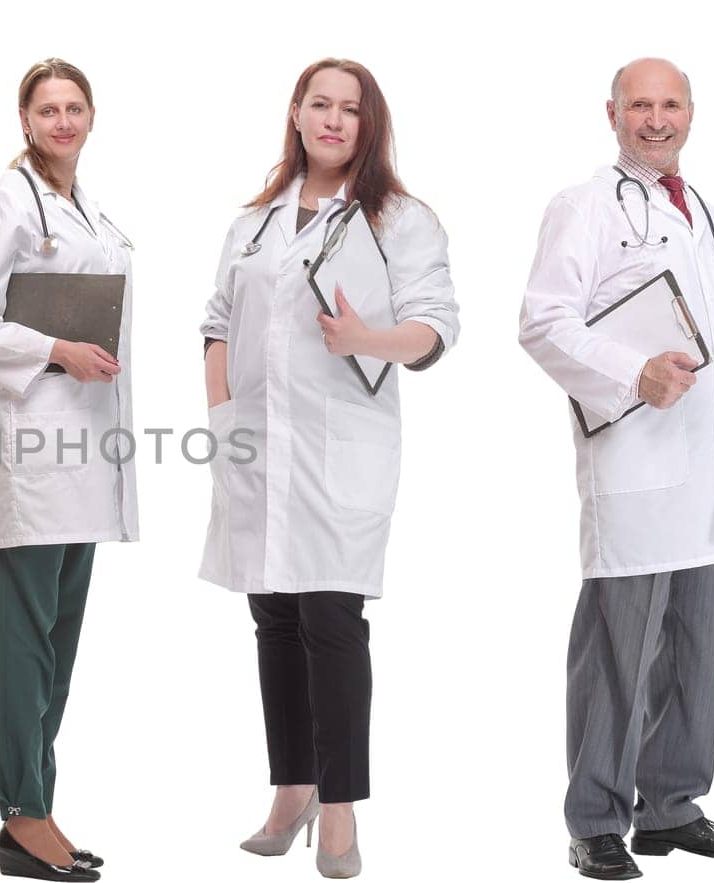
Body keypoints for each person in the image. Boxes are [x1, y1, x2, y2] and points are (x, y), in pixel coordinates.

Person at [199, 57, 460, 880]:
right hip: (256, 447)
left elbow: (436, 325)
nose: (334, 120)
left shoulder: (398, 218)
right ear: (297, 113)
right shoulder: (252, 222)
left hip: (341, 447)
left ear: (368, 124)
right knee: (272, 616)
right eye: (321, 104)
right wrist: (223, 416)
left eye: (351, 109)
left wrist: (367, 341)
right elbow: (214, 321)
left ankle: (340, 808)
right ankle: (291, 787)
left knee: (330, 620)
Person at [518, 57, 714, 881]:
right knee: (619, 648)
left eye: (669, 104)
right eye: (639, 105)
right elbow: (543, 322)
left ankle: (671, 807)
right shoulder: (585, 207)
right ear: (612, 113)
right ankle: (594, 819)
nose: (654, 119)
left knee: (700, 647)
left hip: (713, 468)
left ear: (691, 112)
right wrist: (634, 374)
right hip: (636, 460)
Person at [0, 57, 136, 882]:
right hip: (35, 446)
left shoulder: (86, 207)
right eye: (47, 109)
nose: (62, 121)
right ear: (25, 119)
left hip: (87, 446)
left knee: (58, 640)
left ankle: (40, 808)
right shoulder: (5, 198)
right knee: (25, 641)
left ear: (92, 116)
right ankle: (21, 812)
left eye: (74, 107)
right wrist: (54, 348)